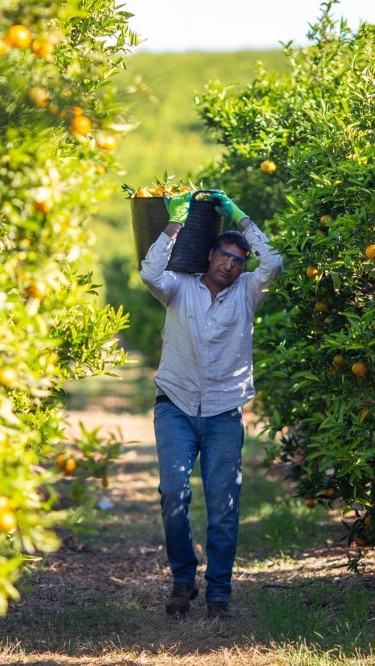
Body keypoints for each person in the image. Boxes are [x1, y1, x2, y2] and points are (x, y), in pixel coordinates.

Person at [138, 189, 283, 619]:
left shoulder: (248, 293)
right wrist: (176, 222)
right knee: (173, 495)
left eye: (238, 260)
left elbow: (272, 262)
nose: (230, 264)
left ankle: (218, 593)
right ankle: (184, 580)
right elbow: (149, 272)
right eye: (224, 255)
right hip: (176, 407)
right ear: (208, 254)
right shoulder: (177, 288)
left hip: (224, 413)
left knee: (224, 506)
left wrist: (241, 219)